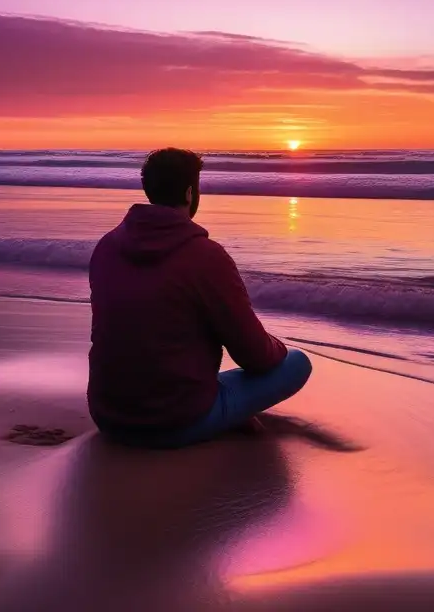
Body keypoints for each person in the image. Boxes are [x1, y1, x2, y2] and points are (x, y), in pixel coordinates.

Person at [87, 147, 312, 448]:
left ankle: (223, 407)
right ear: (191, 192)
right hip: (175, 422)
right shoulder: (206, 257)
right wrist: (276, 346)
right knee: (296, 363)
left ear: (149, 189)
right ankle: (223, 413)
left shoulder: (107, 247)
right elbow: (255, 356)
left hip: (109, 417)